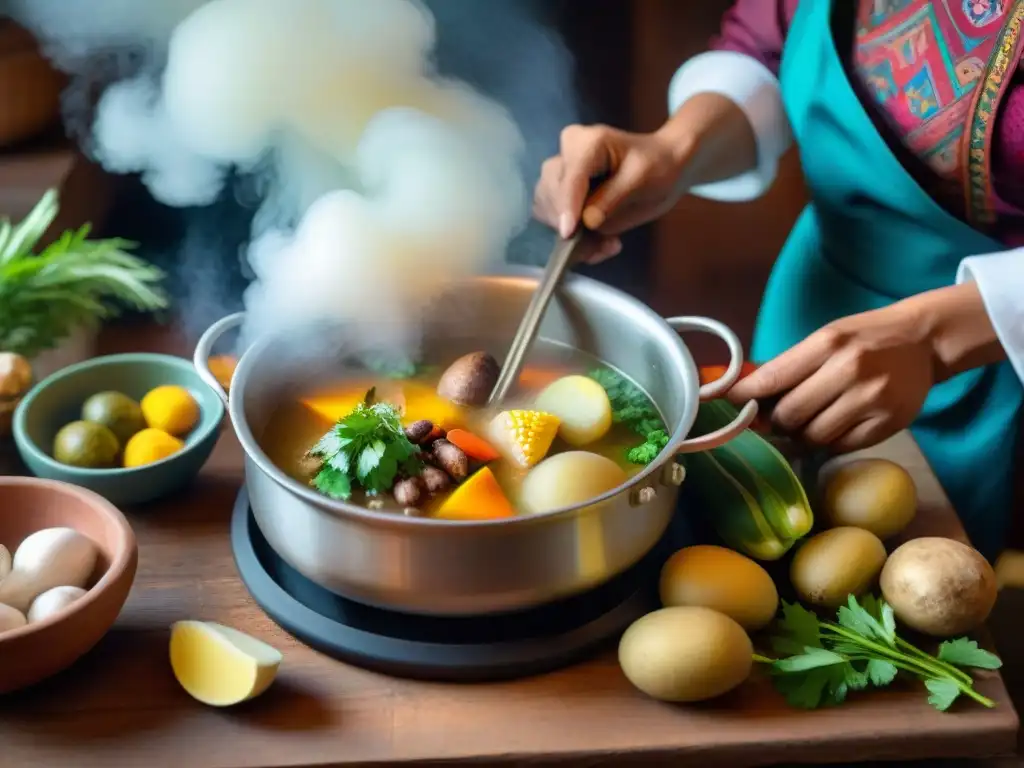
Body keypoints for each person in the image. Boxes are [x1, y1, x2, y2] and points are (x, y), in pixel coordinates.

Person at [533, 0, 1024, 559]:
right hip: (817, 290)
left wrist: (937, 337)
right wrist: (676, 149)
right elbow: (775, 41)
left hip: (995, 346)